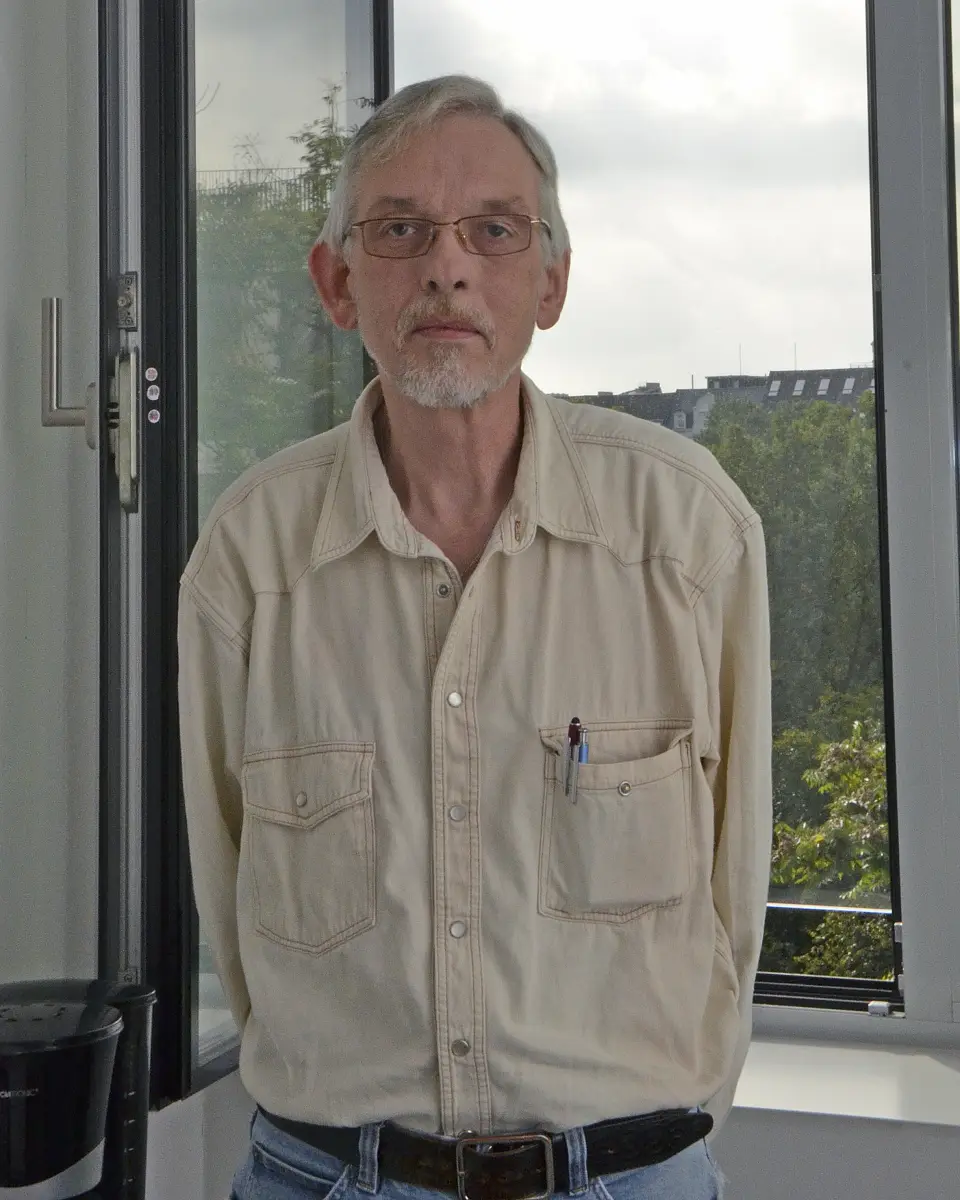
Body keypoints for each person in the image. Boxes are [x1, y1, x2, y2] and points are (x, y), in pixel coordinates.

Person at [178, 74, 772, 1200]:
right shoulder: (252, 556)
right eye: (399, 229)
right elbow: (226, 879)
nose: (447, 265)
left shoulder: (687, 533)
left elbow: (736, 893)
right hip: (322, 1179)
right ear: (336, 282)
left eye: (493, 232)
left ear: (549, 282)